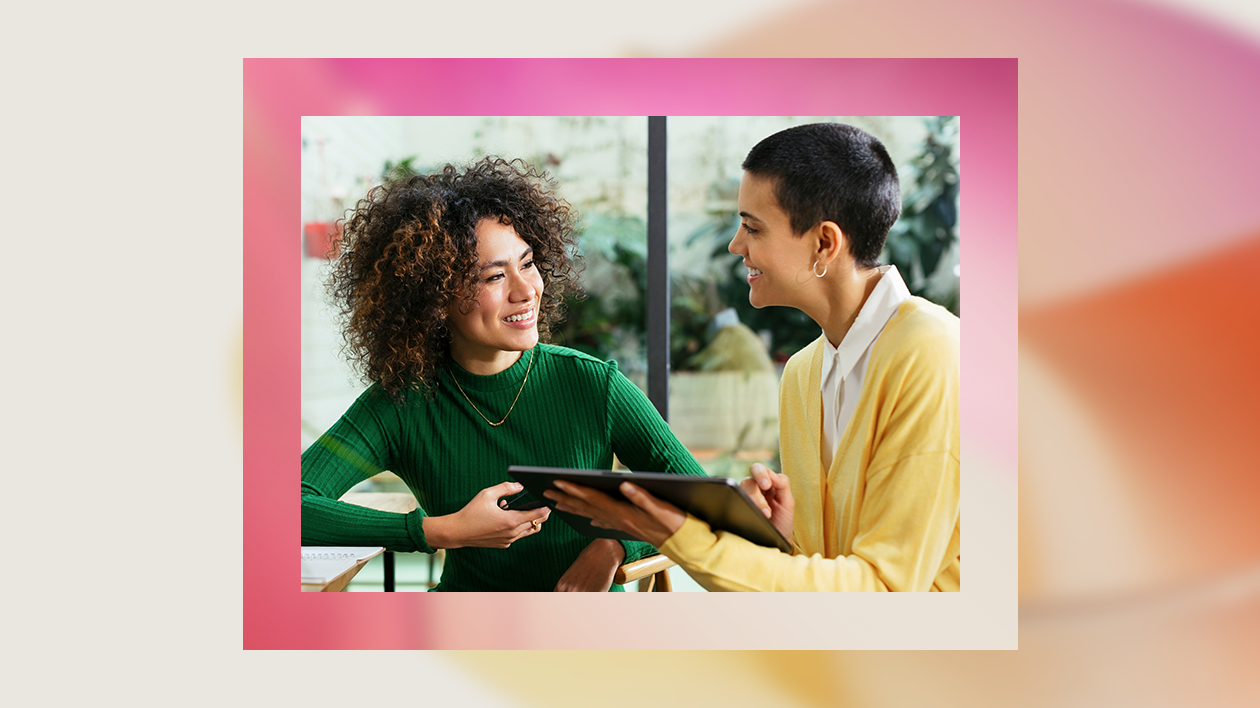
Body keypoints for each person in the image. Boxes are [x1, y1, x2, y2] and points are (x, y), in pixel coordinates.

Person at [547, 123, 960, 591]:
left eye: (752, 227)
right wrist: (775, 541)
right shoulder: (804, 374)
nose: (735, 245)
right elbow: (821, 575)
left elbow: (885, 591)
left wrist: (675, 532)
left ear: (825, 243)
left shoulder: (933, 353)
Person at [301, 157, 706, 591]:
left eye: (527, 263)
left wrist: (616, 545)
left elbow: (700, 499)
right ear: (435, 300)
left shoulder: (593, 384)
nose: (526, 289)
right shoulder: (402, 403)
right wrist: (438, 531)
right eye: (495, 275)